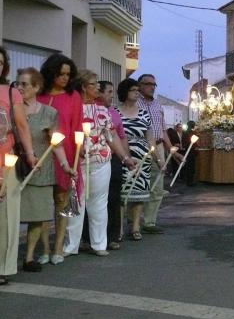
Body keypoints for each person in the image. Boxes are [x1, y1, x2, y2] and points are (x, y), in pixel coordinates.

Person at [65, 70, 135, 257]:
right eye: (93, 84)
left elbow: (112, 136)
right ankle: (70, 245)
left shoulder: (104, 111)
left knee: (99, 203)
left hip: (101, 161)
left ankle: (99, 243)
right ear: (82, 87)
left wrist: (124, 158)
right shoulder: (72, 107)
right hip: (77, 163)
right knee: (74, 203)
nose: (97, 87)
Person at [16, 68, 72, 272]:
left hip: (40, 170)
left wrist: (65, 165)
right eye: (18, 83)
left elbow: (55, 143)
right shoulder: (11, 108)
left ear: (36, 87)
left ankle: (29, 257)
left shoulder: (49, 113)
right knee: (10, 215)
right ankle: (8, 255)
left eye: (24, 84)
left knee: (37, 216)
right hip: (15, 169)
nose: (19, 87)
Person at [38, 53, 82, 265]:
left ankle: (58, 247)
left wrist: (77, 152)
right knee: (43, 203)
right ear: (51, 73)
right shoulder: (39, 95)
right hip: (41, 153)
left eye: (68, 74)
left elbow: (77, 126)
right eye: (60, 74)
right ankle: (44, 249)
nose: (65, 78)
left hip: (66, 154)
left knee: (62, 202)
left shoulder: (73, 97)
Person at [0, 48, 35, 285]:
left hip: (7, 162)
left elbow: (22, 127)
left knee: (7, 217)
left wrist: (31, 155)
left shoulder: (10, 92)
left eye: (0, 62)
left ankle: (3, 267)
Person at [137, 74, 182, 234]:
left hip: (159, 147)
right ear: (140, 85)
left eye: (154, 84)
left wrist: (171, 150)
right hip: (141, 148)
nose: (152, 87)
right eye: (148, 84)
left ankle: (149, 222)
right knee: (138, 185)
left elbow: (163, 131)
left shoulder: (157, 106)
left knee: (156, 186)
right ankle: (133, 220)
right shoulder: (135, 104)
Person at [118, 79, 162, 240]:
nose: (137, 93)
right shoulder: (115, 111)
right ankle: (119, 228)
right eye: (133, 90)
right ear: (125, 92)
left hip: (142, 156)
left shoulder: (143, 113)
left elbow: (150, 137)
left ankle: (136, 226)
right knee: (122, 193)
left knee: (139, 194)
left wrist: (157, 158)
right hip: (122, 154)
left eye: (138, 90)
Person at [97, 80, 133, 250]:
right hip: (96, 158)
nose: (112, 95)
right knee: (97, 200)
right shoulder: (93, 110)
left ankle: (112, 235)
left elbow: (120, 136)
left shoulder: (114, 113)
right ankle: (92, 238)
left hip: (114, 159)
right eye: (109, 92)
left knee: (114, 198)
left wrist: (126, 157)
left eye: (112, 91)